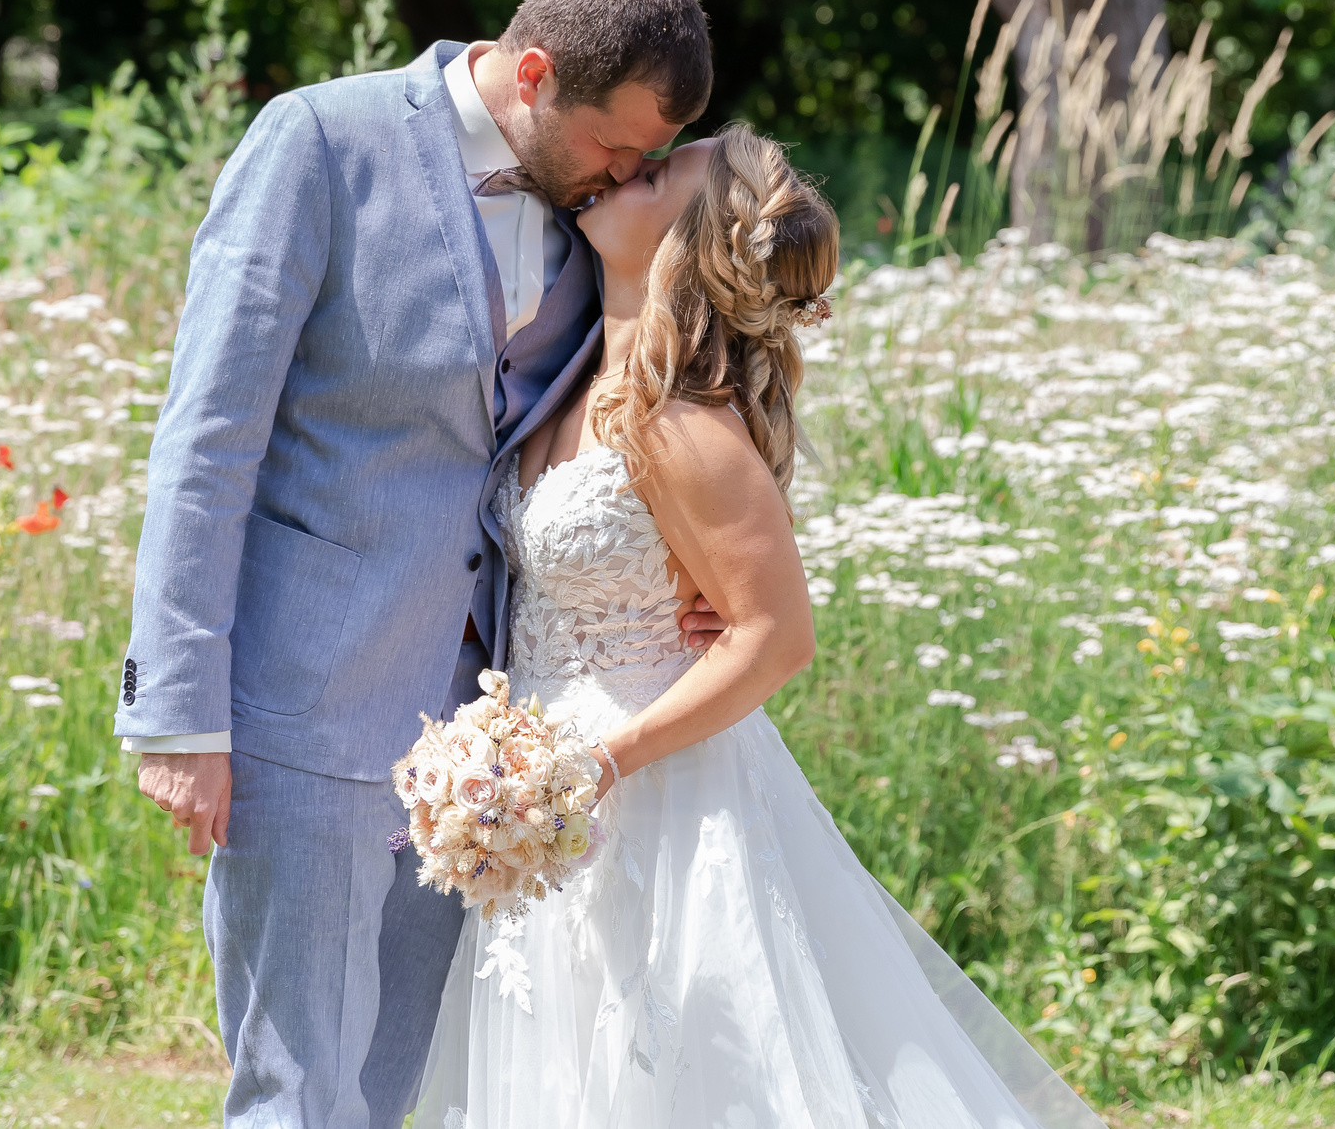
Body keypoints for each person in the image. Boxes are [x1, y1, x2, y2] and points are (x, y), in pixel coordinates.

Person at [116, 0, 713, 1128]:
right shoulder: (319, 145)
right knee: (294, 1088)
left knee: (408, 1085)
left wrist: (687, 568)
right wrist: (177, 709)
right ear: (531, 73)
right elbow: (207, 435)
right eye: (613, 146)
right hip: (303, 698)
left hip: (487, 735)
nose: (630, 175)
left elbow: (634, 402)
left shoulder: (599, 216)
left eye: (648, 156)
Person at [411, 124, 1106, 1129]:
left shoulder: (679, 421)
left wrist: (605, 762)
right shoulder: (569, 377)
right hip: (544, 774)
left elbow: (776, 633)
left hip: (649, 781)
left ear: (689, 244)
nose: (621, 173)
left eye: (653, 176)